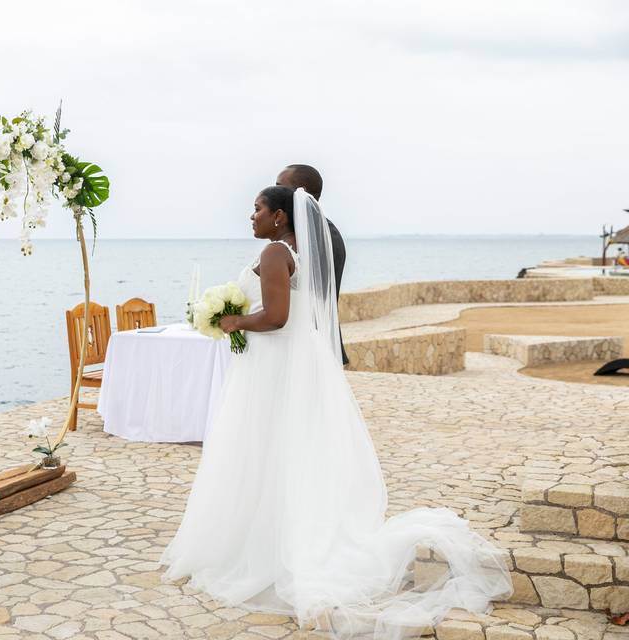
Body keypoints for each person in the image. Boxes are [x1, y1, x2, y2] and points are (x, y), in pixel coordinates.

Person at [160, 186, 510, 639]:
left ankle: (264, 548)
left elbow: (278, 316)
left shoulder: (271, 253)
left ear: (280, 216)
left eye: (258, 209)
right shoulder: (295, 254)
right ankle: (280, 534)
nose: (252, 216)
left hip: (274, 365)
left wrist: (233, 322)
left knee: (264, 448)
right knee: (291, 450)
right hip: (293, 362)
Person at [276, 164, 349, 365]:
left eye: (280, 186)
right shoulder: (298, 231)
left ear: (302, 192)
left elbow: (316, 296)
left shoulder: (322, 235)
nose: (274, 191)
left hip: (312, 345)